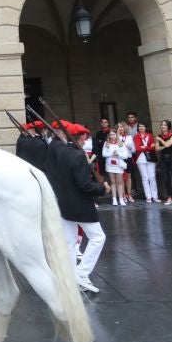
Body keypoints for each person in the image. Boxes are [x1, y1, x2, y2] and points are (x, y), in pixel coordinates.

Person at [47, 123, 108, 293]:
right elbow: (85, 185)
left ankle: (70, 276)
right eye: (82, 136)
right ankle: (81, 273)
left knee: (70, 243)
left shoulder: (60, 151)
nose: (85, 138)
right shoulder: (77, 155)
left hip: (62, 203)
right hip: (79, 205)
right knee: (98, 238)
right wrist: (102, 189)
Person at [156, 120, 172, 206]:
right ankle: (169, 197)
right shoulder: (159, 136)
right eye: (162, 125)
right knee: (166, 179)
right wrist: (163, 144)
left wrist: (161, 141)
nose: (162, 126)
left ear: (168, 127)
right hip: (163, 159)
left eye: (164, 125)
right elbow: (157, 148)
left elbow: (167, 145)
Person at [133, 122, 160, 203]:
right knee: (145, 177)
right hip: (140, 159)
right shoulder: (136, 136)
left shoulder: (150, 135)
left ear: (145, 127)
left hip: (150, 158)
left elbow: (153, 147)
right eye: (139, 126)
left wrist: (144, 147)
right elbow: (137, 148)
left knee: (152, 177)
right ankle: (148, 196)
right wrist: (148, 147)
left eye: (143, 126)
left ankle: (155, 196)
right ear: (138, 128)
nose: (141, 127)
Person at [102, 129, 129, 205]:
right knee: (113, 182)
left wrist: (118, 154)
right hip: (110, 165)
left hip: (119, 165)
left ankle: (121, 199)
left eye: (113, 134)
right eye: (110, 135)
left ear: (116, 135)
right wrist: (112, 153)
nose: (112, 136)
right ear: (109, 136)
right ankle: (114, 199)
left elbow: (126, 156)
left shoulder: (121, 143)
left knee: (119, 182)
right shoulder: (106, 143)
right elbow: (104, 154)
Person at [116, 122, 136, 204]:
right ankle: (123, 194)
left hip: (128, 158)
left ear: (125, 128)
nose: (120, 128)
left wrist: (130, 148)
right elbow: (119, 146)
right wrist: (117, 135)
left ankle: (129, 193)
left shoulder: (129, 137)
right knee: (121, 178)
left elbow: (134, 150)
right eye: (118, 127)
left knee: (128, 177)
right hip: (120, 159)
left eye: (121, 126)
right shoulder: (116, 138)